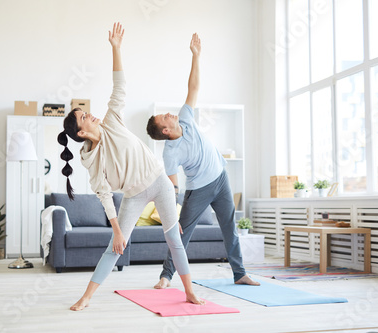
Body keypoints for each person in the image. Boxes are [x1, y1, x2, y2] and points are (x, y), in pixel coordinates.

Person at [58, 23, 205, 311]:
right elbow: (104, 196)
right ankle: (86, 297)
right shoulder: (92, 162)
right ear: (83, 133)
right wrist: (117, 230)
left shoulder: (112, 119)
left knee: (174, 238)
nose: (90, 115)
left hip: (160, 182)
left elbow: (119, 86)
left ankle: (188, 291)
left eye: (86, 112)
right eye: (85, 117)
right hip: (134, 195)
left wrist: (115, 48)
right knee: (116, 246)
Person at [146, 33, 260, 289]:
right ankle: (166, 276)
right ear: (165, 130)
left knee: (229, 226)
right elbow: (173, 187)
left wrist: (196, 55)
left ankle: (239, 273)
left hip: (221, 178)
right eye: (163, 117)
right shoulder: (169, 153)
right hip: (198, 189)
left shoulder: (185, 117)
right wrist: (171, 215)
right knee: (182, 233)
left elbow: (193, 88)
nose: (168, 114)